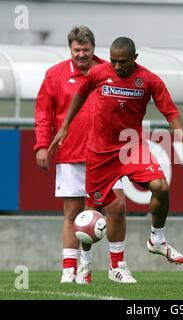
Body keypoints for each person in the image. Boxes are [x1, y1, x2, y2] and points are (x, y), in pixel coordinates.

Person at [49, 37, 183, 280]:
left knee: (161, 186)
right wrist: (65, 126)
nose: (117, 66)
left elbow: (171, 112)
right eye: (113, 61)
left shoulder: (149, 80)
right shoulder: (99, 73)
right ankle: (85, 266)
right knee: (92, 212)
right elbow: (80, 93)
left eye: (122, 62)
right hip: (100, 151)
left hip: (131, 147)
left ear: (135, 59)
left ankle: (157, 239)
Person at [34, 26, 130, 284]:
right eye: (77, 50)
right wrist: (42, 145)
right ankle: (71, 270)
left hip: (107, 153)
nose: (81, 55)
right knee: (74, 213)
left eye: (86, 50)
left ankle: (117, 266)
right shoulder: (55, 75)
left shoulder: (109, 72)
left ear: (93, 49)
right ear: (70, 50)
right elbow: (44, 112)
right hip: (71, 152)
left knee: (117, 206)